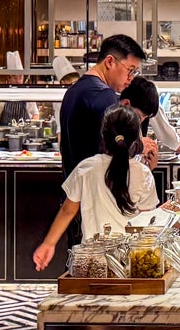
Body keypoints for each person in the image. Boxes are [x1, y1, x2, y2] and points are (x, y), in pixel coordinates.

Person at [33, 105, 159, 265]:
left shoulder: (86, 168)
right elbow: (146, 221)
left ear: (103, 135)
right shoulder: (143, 173)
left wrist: (48, 244)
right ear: (136, 139)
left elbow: (68, 210)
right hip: (129, 261)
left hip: (91, 260)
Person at [58, 34, 150, 176]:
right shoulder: (104, 95)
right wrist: (141, 146)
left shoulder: (73, 90)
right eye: (130, 70)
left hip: (74, 183)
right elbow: (116, 149)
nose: (131, 78)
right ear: (109, 62)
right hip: (96, 185)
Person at [120, 76, 180, 157]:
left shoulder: (144, 101)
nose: (140, 122)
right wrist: (139, 147)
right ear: (125, 103)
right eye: (139, 117)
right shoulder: (109, 112)